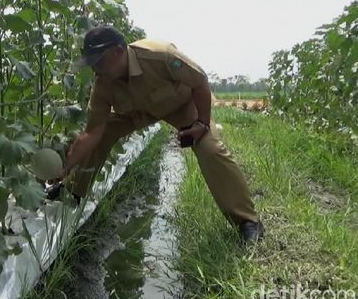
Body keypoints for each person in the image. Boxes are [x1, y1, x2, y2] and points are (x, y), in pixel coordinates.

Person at [54, 25, 264, 244]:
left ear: (118, 51)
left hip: (181, 105)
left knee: (209, 149)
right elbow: (92, 132)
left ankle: (247, 221)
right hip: (138, 113)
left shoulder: (160, 56)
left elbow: (200, 81)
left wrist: (202, 123)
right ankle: (72, 190)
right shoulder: (104, 84)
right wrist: (67, 166)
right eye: (92, 64)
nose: (96, 69)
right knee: (105, 129)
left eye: (99, 62)